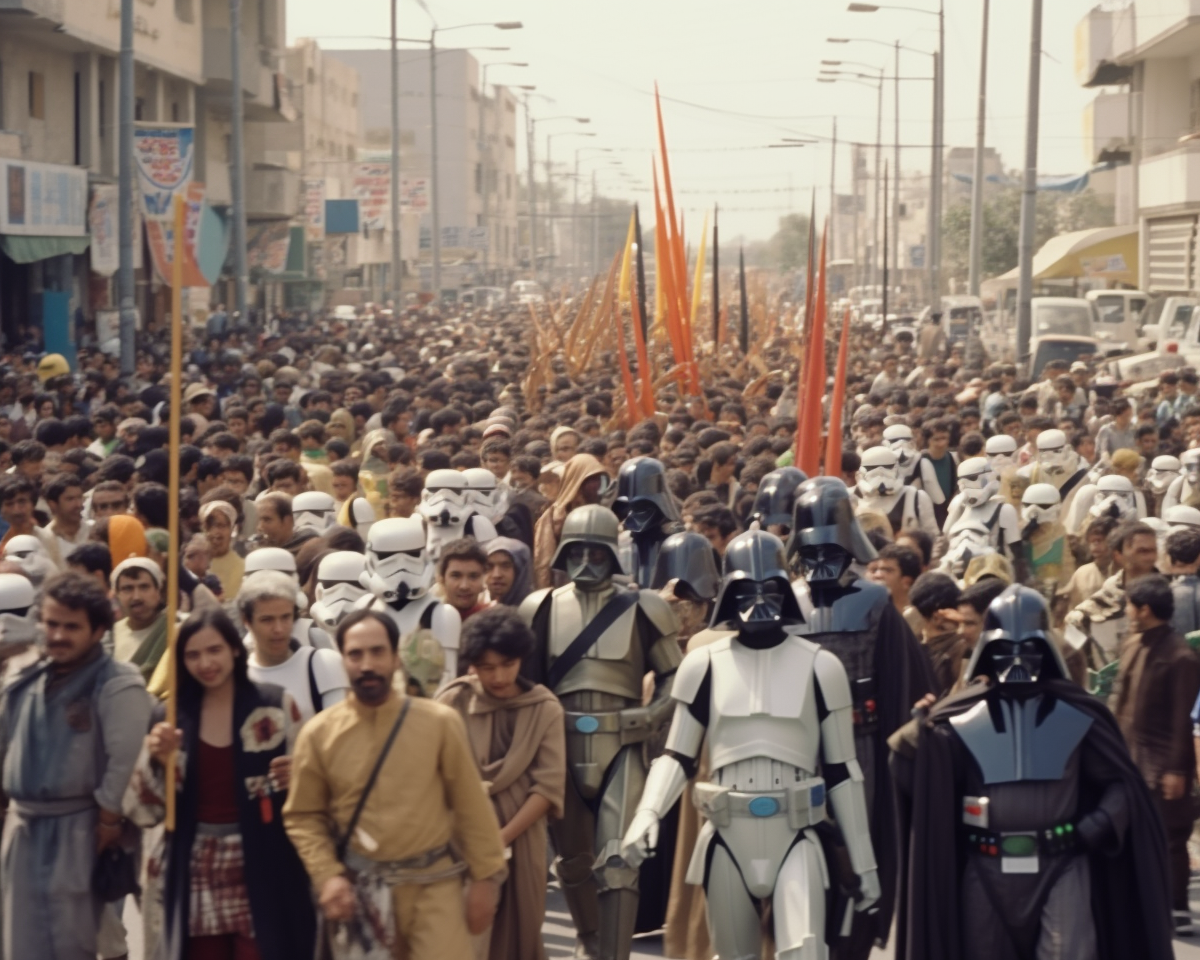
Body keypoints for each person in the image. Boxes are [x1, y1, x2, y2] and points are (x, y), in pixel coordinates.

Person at [621, 530, 880, 958]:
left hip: (796, 833)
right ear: (728, 595)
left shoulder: (821, 667)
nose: (758, 603)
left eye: (769, 591)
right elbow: (678, 756)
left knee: (805, 950)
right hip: (728, 832)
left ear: (785, 591)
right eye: (746, 592)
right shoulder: (702, 665)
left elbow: (842, 771)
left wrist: (863, 862)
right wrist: (647, 814)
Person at [890, 585, 1174, 960]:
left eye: (1029, 651)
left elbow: (1123, 787)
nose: (1017, 662)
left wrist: (1098, 824)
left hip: (1062, 865)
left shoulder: (1079, 715)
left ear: (1046, 651)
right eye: (1005, 651)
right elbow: (916, 780)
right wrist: (917, 733)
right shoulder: (957, 719)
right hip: (985, 867)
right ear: (988, 654)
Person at [283, 609, 509, 960]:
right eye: (355, 654)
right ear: (343, 659)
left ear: (394, 657)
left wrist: (486, 878)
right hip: (361, 892)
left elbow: (470, 805)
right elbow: (303, 815)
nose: (367, 664)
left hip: (435, 888)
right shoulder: (320, 734)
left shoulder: (439, 723)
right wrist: (327, 875)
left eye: (377, 652)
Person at [519, 504, 680, 960]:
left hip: (622, 744)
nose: (586, 563)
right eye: (576, 553)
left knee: (618, 862)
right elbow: (525, 682)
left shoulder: (644, 606)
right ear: (563, 554)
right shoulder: (541, 605)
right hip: (560, 744)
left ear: (613, 555)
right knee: (572, 863)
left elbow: (675, 677)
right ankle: (590, 940)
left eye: (596, 553)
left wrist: (650, 717)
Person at [787, 477, 934, 959]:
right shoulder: (786, 600)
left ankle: (848, 946)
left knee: (857, 855)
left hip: (860, 747)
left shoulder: (875, 603)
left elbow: (904, 683)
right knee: (796, 855)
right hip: (796, 750)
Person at [122, 608, 316, 960]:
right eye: (192, 654)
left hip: (265, 859)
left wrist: (300, 776)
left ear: (235, 650)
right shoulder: (168, 718)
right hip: (192, 859)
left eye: (214, 650)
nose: (205, 663)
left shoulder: (275, 706)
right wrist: (156, 760)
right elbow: (141, 811)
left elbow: (313, 789)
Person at [0, 571, 151, 960]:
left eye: (72, 627)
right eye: (51, 624)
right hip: (23, 830)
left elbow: (124, 762)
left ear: (98, 629)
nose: (58, 635)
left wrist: (107, 823)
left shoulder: (117, 683)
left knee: (71, 945)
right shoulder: (24, 678)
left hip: (80, 832)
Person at [435, 607, 566, 960]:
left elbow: (548, 787)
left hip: (521, 839)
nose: (499, 676)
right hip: (458, 840)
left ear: (522, 659)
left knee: (519, 933)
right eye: (487, 667)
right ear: (472, 664)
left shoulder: (545, 708)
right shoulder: (452, 700)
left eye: (507, 664)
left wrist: (500, 838)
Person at [1111, 574, 1200, 935]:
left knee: (1171, 838)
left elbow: (1184, 720)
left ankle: (1176, 906)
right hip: (1129, 759)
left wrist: (1178, 769)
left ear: (1143, 610)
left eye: (1130, 604)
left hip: (1164, 767)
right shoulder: (1134, 644)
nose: (1127, 610)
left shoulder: (1180, 656)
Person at [239, 571, 349, 721]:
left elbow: (339, 732)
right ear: (246, 621)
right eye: (267, 620)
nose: (279, 629)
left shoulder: (323, 664)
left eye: (285, 617)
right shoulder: (239, 679)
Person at [111, 556, 172, 685]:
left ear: (158, 592)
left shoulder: (173, 628)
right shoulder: (111, 634)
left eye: (144, 587)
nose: (136, 596)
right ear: (117, 595)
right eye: (128, 589)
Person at [437, 538, 489, 623]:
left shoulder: (492, 621)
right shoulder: (427, 620)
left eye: (473, 577)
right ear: (442, 579)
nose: (464, 586)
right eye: (456, 576)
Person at [485, 537, 533, 608]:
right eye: (489, 567)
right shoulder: (476, 610)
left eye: (505, 566)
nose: (496, 575)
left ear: (519, 572)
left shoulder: (536, 610)